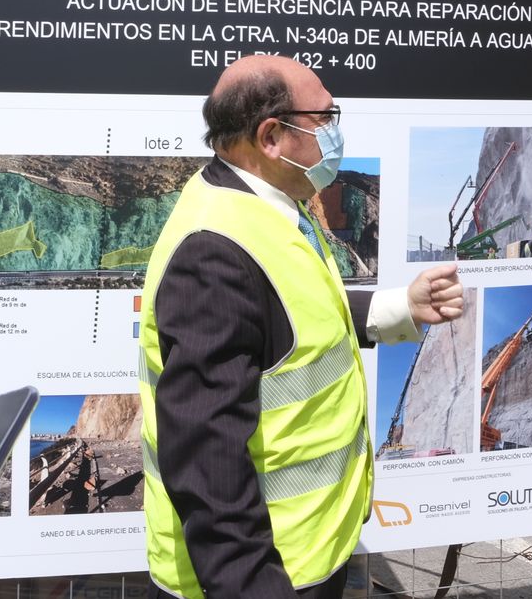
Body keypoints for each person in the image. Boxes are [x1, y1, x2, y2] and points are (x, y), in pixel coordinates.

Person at [137, 55, 465, 599]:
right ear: (272, 137)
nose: (335, 131)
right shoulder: (213, 253)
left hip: (306, 552)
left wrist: (401, 307)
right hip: (269, 575)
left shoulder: (267, 204)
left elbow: (296, 315)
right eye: (325, 117)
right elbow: (207, 458)